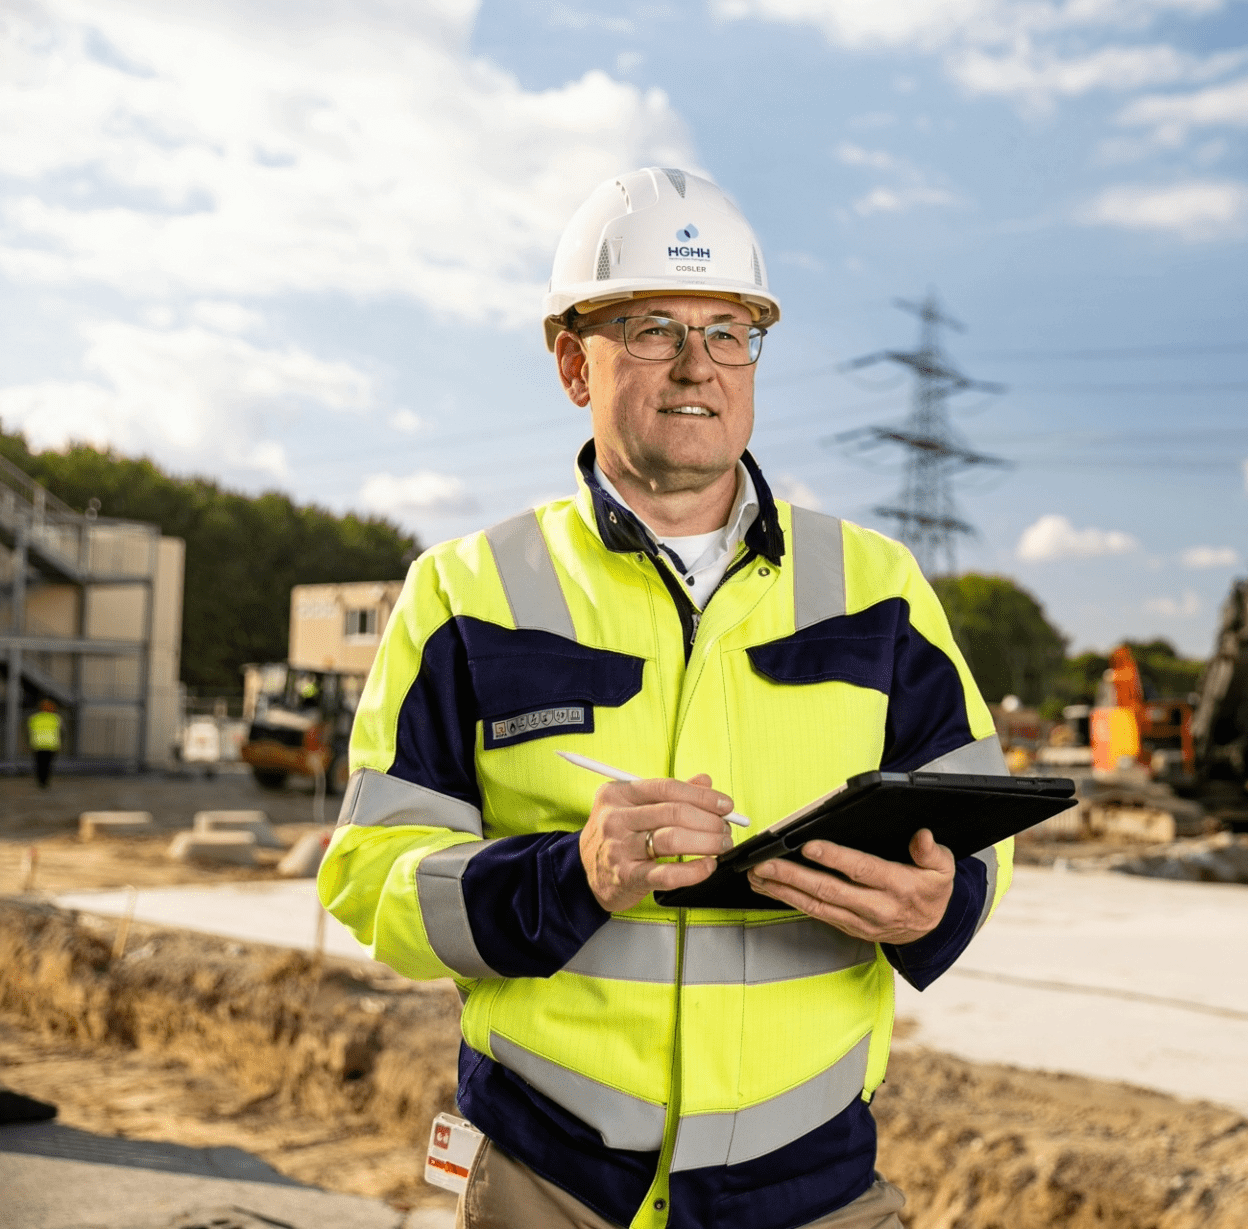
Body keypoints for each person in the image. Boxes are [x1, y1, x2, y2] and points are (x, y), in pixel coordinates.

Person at [319, 167, 1011, 1229]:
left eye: (729, 332)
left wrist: (939, 904)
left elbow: (980, 833)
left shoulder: (877, 586)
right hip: (553, 1180)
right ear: (572, 363)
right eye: (653, 329)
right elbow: (374, 876)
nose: (699, 366)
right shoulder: (464, 591)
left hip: (812, 1182)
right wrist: (570, 875)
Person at [27, 700, 62, 788]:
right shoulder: (55, 718)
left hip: (37, 744)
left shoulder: (34, 718)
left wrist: (29, 742)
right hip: (51, 745)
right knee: (48, 764)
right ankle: (45, 781)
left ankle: (40, 781)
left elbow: (29, 731)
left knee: (39, 764)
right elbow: (61, 732)